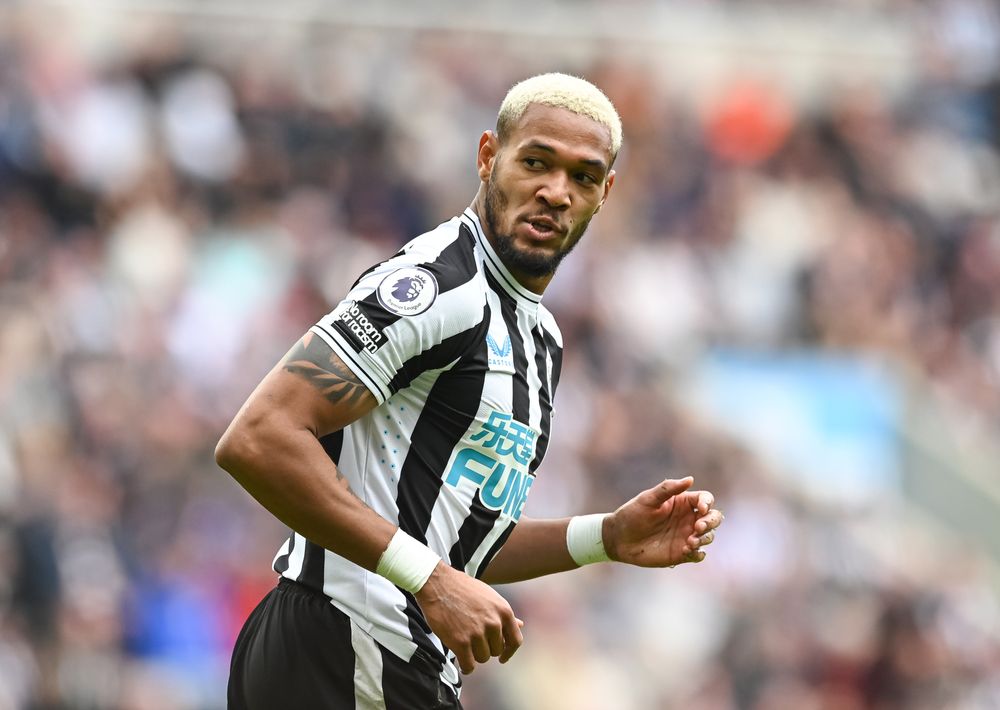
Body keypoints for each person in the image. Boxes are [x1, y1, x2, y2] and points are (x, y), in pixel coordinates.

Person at [216, 72, 725, 710]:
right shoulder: (436, 285)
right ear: (488, 156)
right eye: (535, 162)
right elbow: (258, 439)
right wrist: (429, 579)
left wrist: (607, 538)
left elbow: (457, 537)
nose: (555, 192)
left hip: (396, 667)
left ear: (606, 193)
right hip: (341, 645)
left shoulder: (542, 340)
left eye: (583, 177)